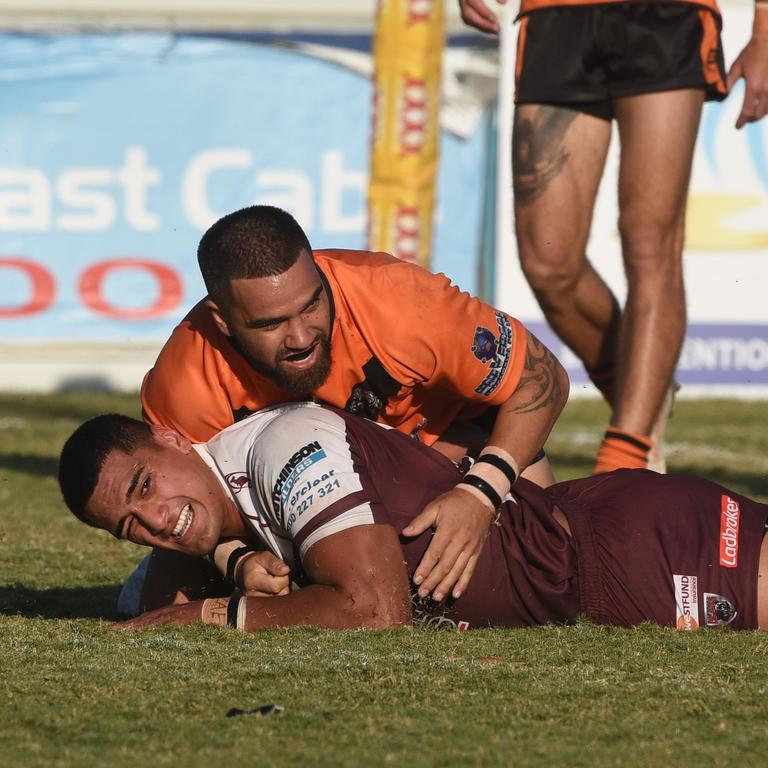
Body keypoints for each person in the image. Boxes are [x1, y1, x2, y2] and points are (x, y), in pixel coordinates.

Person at [135, 204, 569, 609]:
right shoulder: (184, 381)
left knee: (560, 571)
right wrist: (236, 558)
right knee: (162, 604)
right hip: (293, 516)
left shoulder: (397, 300)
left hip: (455, 458)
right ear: (222, 321)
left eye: (311, 305)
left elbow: (540, 376)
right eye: (270, 324)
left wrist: (482, 491)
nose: (302, 337)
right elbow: (177, 508)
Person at [59, 406, 768, 632]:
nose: (156, 520)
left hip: (630, 558)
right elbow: (154, 581)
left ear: (174, 438)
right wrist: (232, 562)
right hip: (591, 535)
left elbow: (373, 609)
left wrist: (205, 619)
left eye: (145, 485)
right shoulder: (225, 497)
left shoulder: (285, 449)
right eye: (130, 525)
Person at [458, 0, 768, 473]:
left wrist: (764, 28)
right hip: (556, 15)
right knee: (549, 262)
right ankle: (642, 392)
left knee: (650, 242)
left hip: (667, 15)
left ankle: (629, 451)